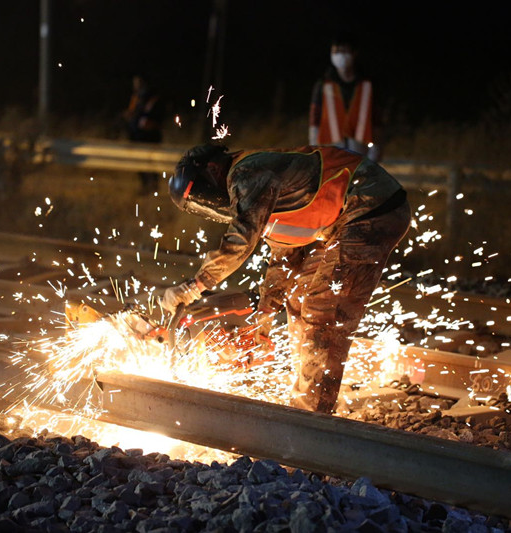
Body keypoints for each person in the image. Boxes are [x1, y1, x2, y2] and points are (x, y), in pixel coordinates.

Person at [160, 144, 411, 414]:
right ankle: (306, 395)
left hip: (372, 207)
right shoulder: (264, 194)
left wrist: (194, 286)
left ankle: (311, 416)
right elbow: (284, 255)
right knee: (299, 296)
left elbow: (240, 240)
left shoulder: (247, 172)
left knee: (322, 308)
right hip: (342, 222)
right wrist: (265, 315)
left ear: (212, 170)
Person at [309, 33, 381, 162]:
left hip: (360, 149)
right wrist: (314, 148)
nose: (340, 55)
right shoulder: (323, 85)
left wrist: (375, 148)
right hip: (330, 149)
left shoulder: (367, 85)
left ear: (354, 53)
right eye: (336, 51)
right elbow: (315, 119)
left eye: (344, 51)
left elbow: (376, 119)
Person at [125, 74, 164, 192]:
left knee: (150, 160)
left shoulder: (152, 98)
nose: (136, 85)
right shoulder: (136, 97)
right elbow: (133, 114)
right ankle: (146, 185)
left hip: (150, 134)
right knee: (140, 161)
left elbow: (154, 116)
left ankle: (153, 185)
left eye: (139, 83)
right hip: (138, 134)